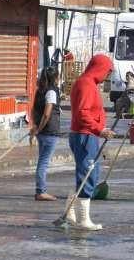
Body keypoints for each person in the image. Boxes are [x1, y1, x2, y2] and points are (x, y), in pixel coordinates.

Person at [67, 54, 116, 231]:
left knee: (86, 173)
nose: (107, 76)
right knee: (88, 173)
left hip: (88, 134)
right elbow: (82, 113)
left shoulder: (87, 83)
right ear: (100, 68)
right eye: (107, 72)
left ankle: (70, 213)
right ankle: (83, 220)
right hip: (85, 135)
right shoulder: (86, 84)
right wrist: (99, 129)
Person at [30, 66, 61, 201]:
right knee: (43, 162)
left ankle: (40, 190)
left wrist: (35, 126)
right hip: (49, 132)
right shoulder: (51, 92)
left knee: (42, 161)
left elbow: (33, 110)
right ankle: (41, 191)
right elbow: (47, 113)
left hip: (42, 132)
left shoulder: (39, 91)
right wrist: (39, 128)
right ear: (55, 77)